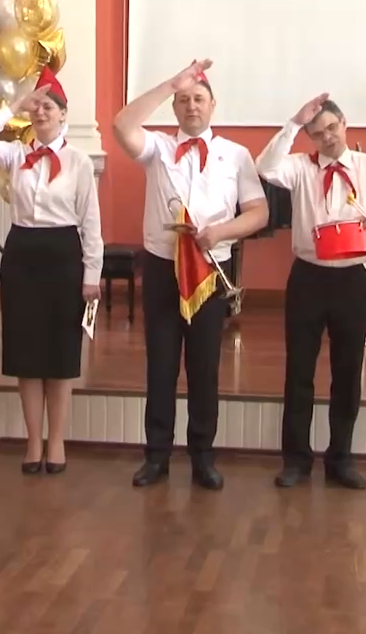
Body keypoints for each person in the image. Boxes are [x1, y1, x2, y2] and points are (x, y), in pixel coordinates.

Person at [111, 59, 268, 490]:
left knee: (204, 368)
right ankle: (156, 457)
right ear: (174, 107)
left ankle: (203, 457)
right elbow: (122, 123)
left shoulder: (235, 155)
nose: (191, 106)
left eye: (198, 98)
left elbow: (258, 213)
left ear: (213, 105)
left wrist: (221, 231)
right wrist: (170, 84)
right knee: (160, 366)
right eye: (183, 100)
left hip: (209, 269)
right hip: (163, 266)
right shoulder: (157, 148)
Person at [255, 94, 366, 490]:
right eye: (318, 133)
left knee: (348, 370)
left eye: (332, 128)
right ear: (311, 137)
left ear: (344, 123)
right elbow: (264, 166)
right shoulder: (299, 167)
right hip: (308, 276)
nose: (328, 138)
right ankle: (296, 460)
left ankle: (341, 459)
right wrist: (293, 123)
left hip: (352, 277)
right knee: (299, 371)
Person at [0, 67, 103, 475]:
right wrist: (13, 107)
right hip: (22, 253)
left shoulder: (78, 162)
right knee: (25, 351)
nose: (42, 112)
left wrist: (91, 274)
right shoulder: (16, 154)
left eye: (50, 106)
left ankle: (56, 441)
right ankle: (32, 442)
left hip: (63, 254)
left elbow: (90, 222)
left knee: (60, 353)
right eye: (37, 106)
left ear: (64, 114)